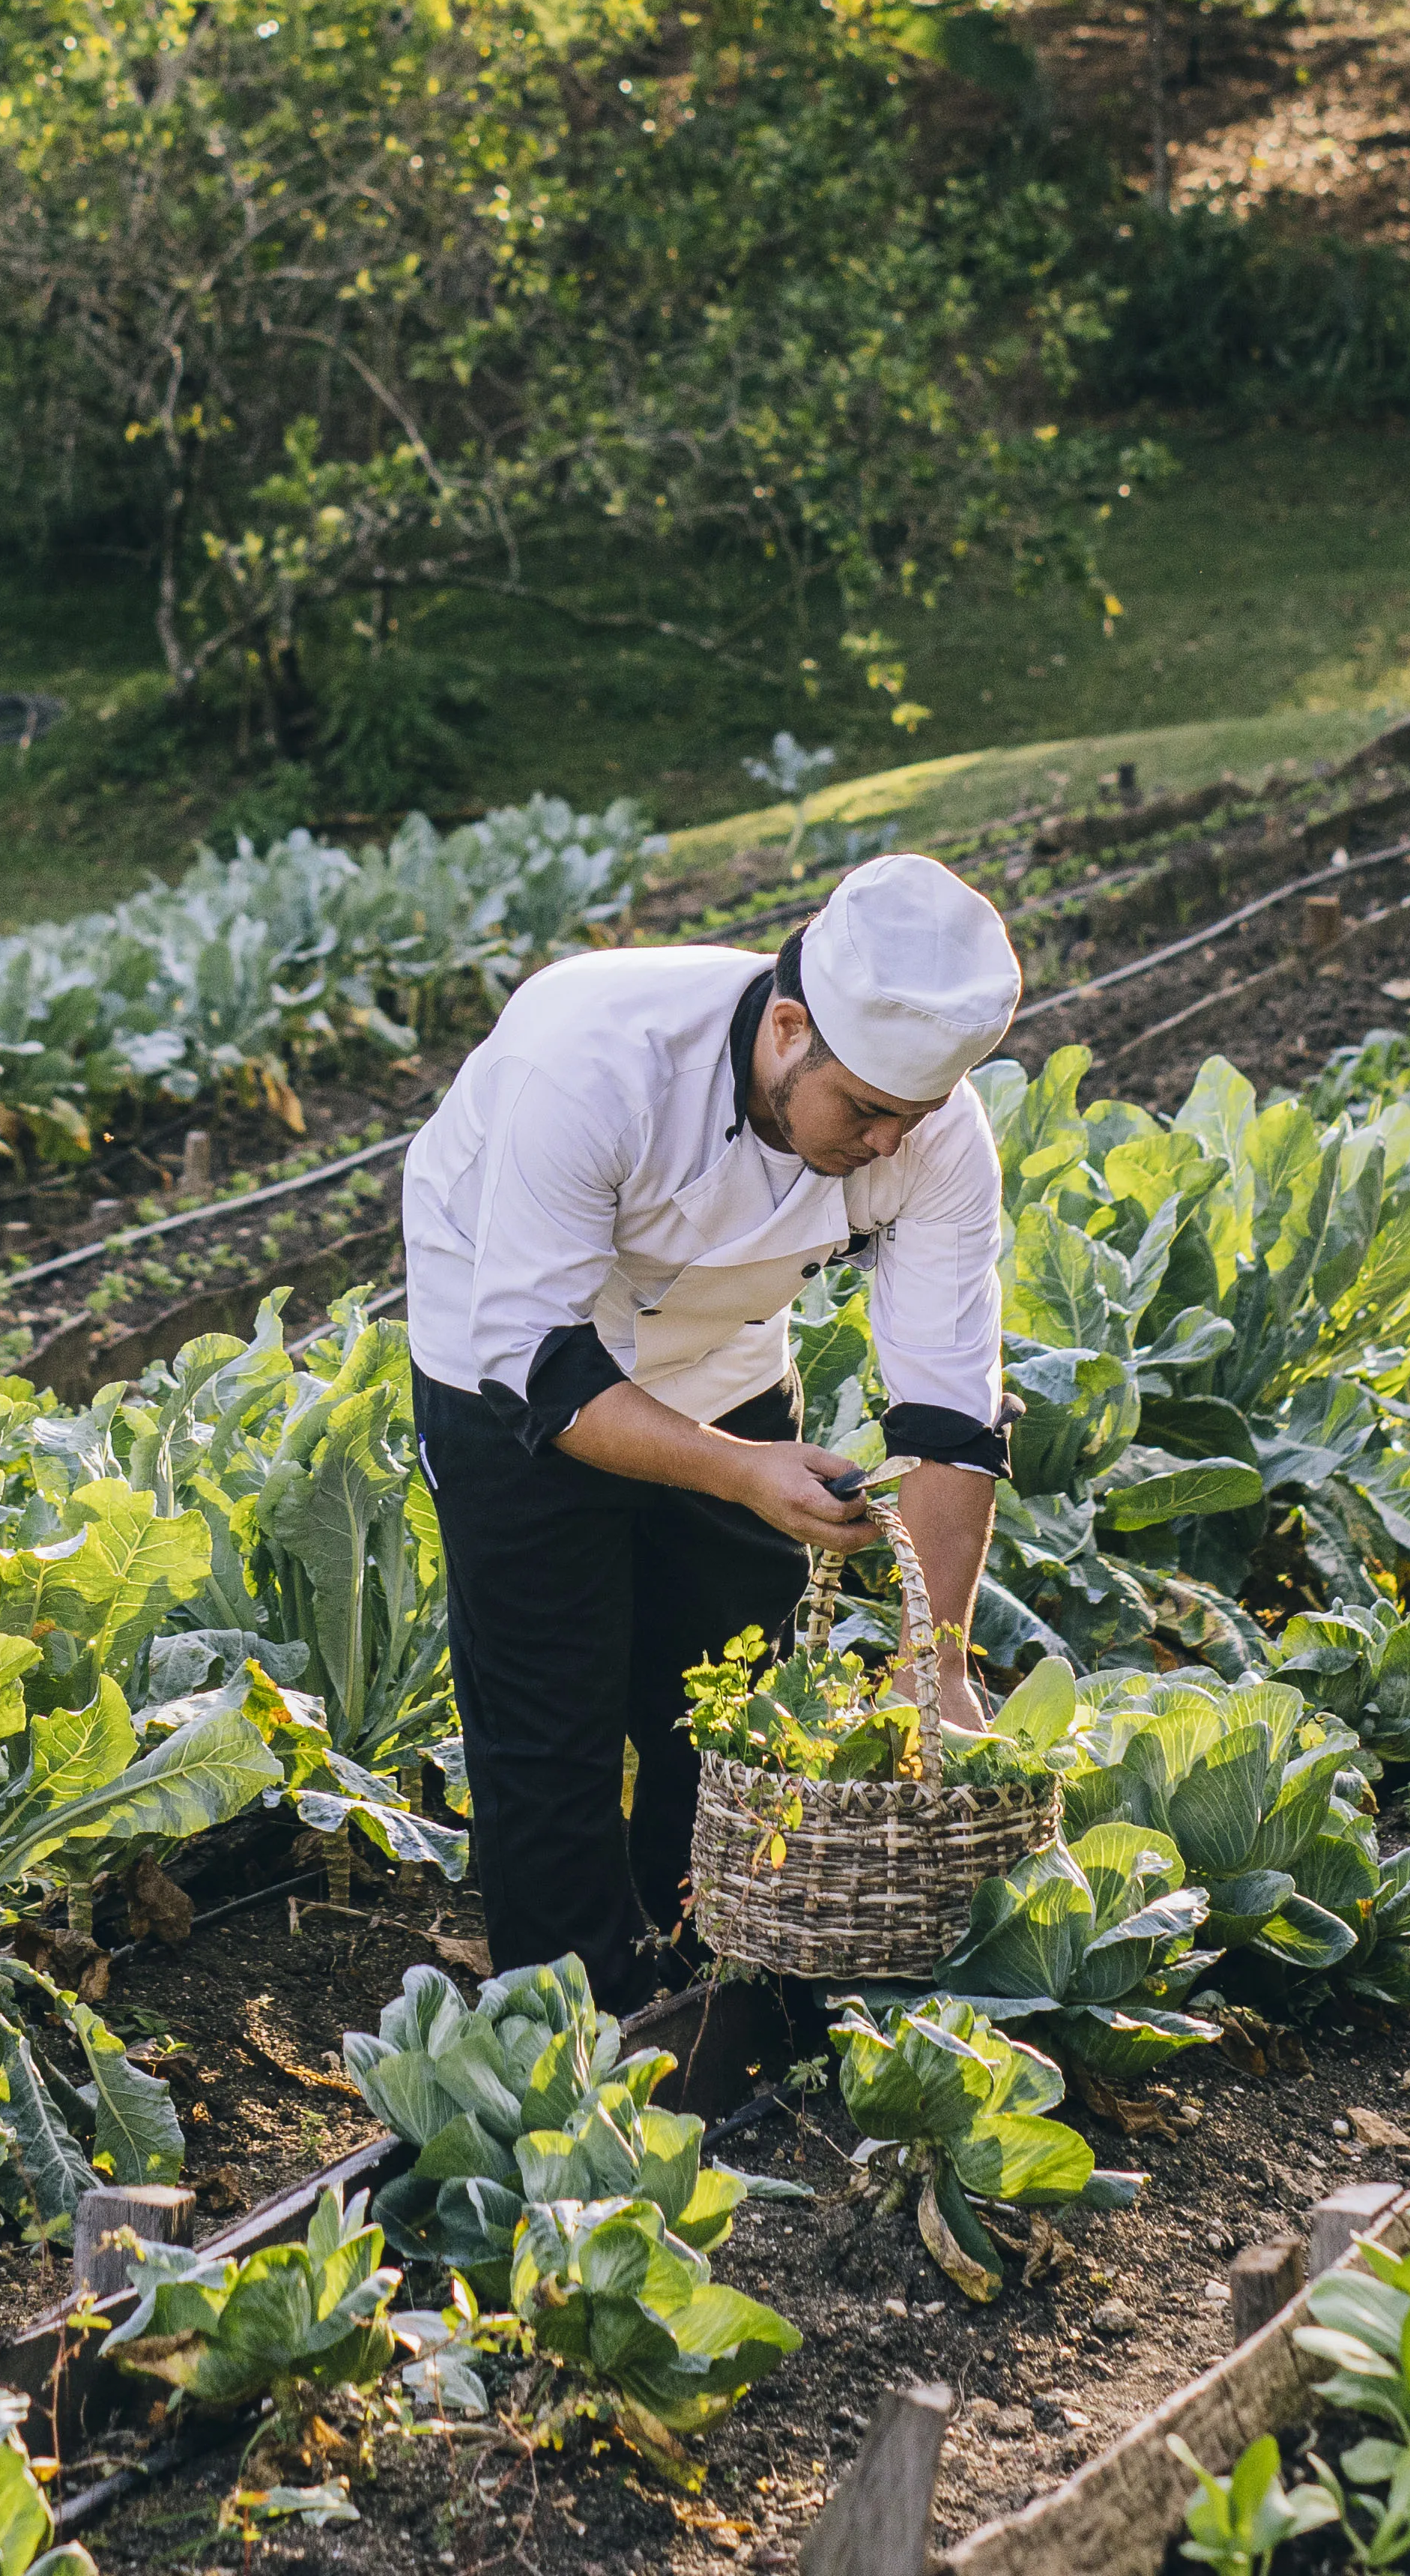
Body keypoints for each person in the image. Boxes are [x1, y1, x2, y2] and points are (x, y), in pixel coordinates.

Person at [398, 846, 1022, 1998]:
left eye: (917, 1115)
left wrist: (934, 1665)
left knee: (724, 1699)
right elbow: (547, 1370)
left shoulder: (933, 1136)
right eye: (871, 1111)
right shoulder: (587, 1062)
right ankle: (572, 2021)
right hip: (507, 1356)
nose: (891, 1143)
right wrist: (741, 1475)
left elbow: (952, 1417)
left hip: (728, 1363)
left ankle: (713, 1972)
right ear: (788, 1028)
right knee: (550, 1732)